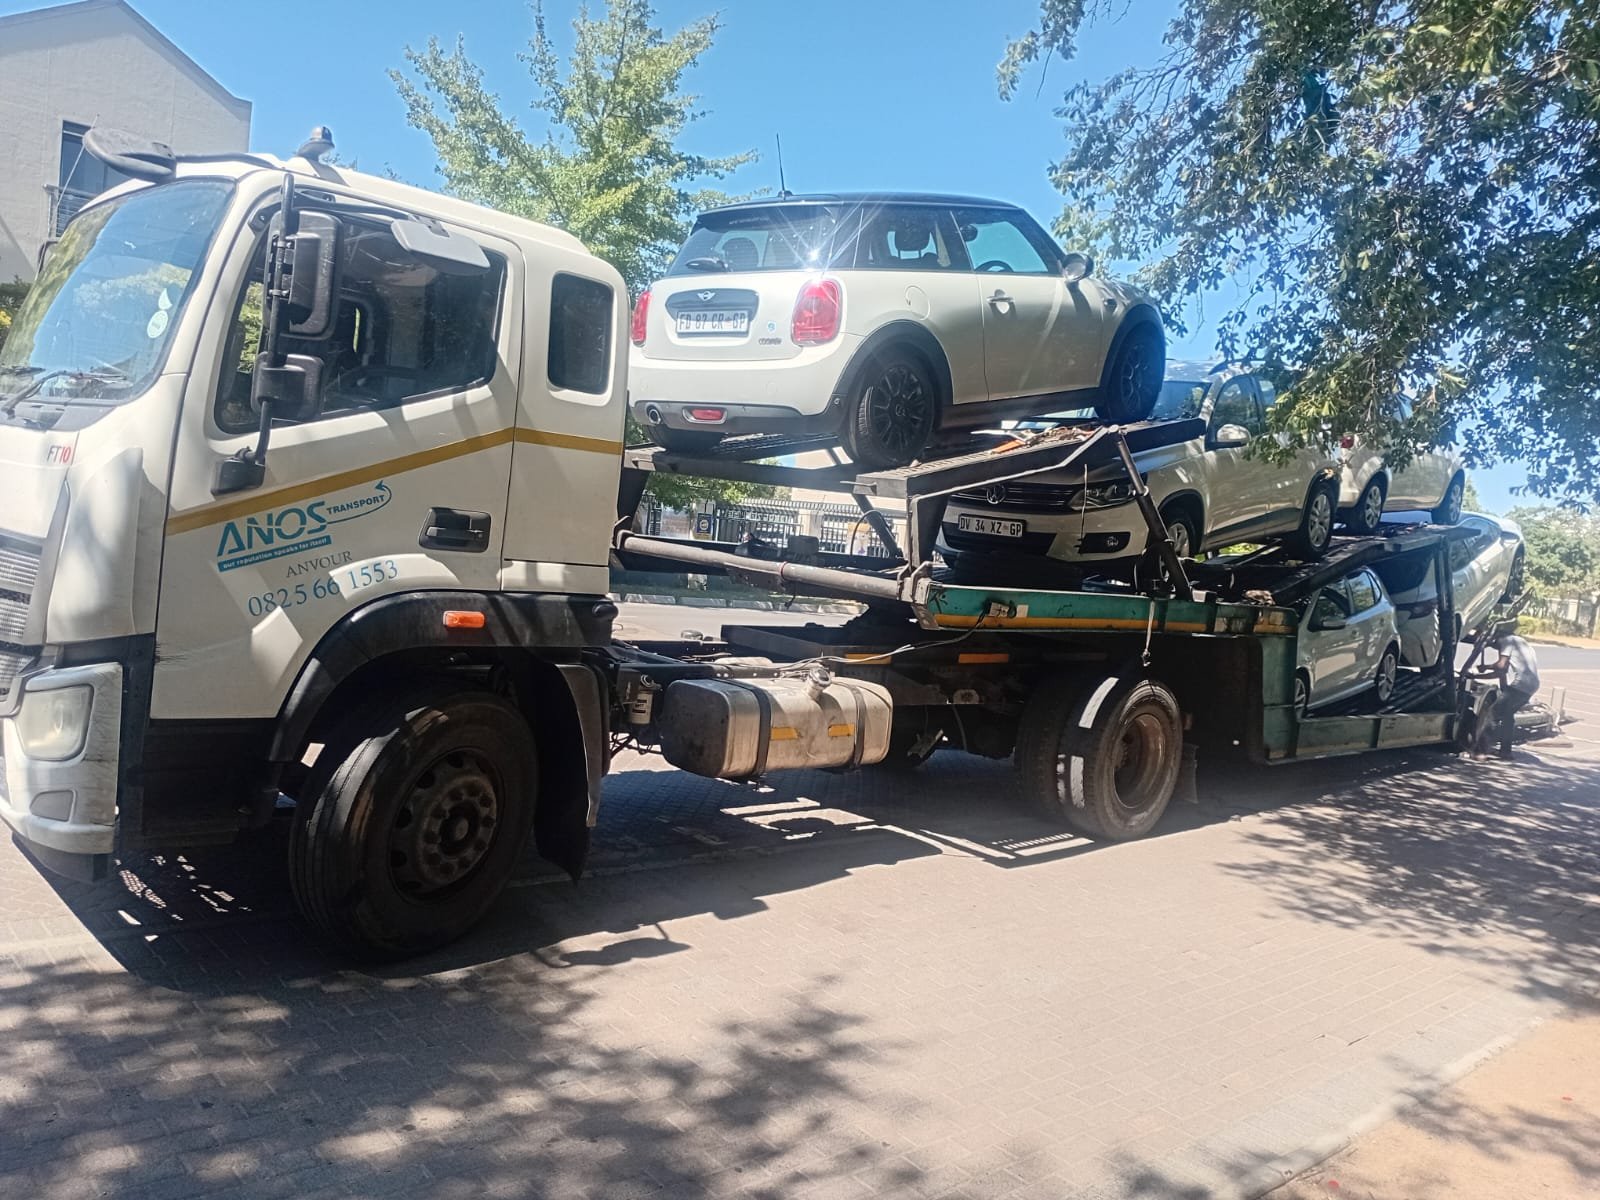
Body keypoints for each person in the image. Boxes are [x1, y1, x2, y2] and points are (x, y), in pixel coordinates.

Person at [1478, 629, 1541, 760]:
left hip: (1520, 684)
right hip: (1532, 685)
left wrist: (1485, 667)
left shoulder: (1506, 641)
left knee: (1492, 715)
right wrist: (1478, 674)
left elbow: (1500, 666)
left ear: (1496, 638)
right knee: (1508, 716)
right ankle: (1506, 752)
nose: (1496, 648)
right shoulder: (1522, 643)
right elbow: (1502, 673)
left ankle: (1480, 752)